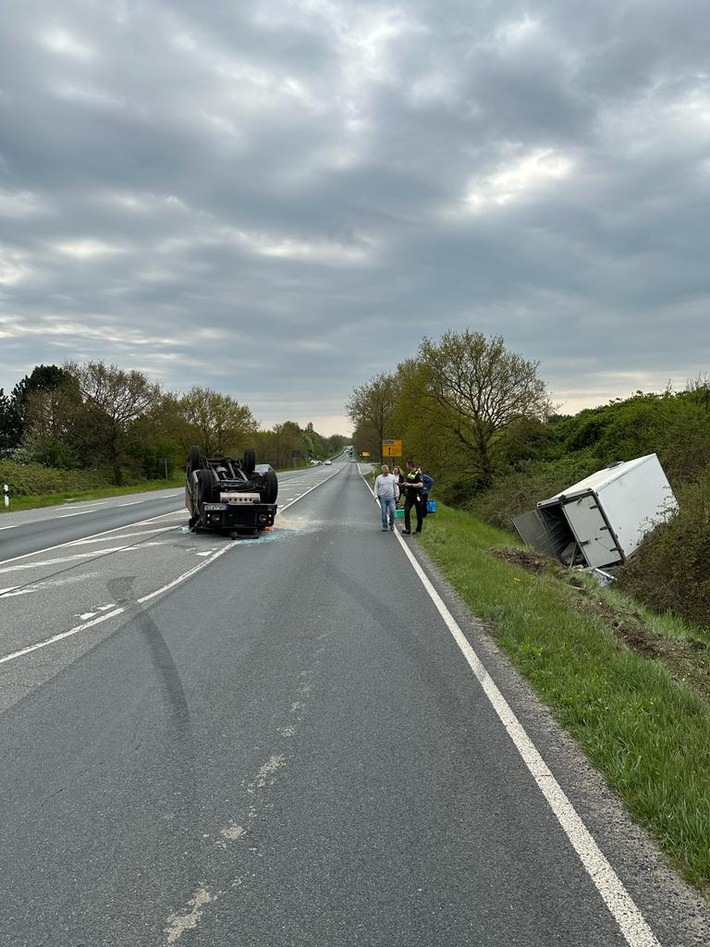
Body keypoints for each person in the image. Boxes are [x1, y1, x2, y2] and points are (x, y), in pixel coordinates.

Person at [401, 459, 424, 535]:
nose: (406, 466)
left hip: (417, 495)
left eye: (407, 465)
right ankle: (408, 529)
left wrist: (411, 485)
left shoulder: (418, 474)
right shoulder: (409, 474)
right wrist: (404, 484)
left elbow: (421, 484)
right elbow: (408, 482)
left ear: (410, 465)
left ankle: (418, 530)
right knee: (406, 511)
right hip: (409, 496)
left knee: (419, 513)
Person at [374, 463, 398, 531]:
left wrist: (396, 495)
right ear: (382, 470)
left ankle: (391, 524)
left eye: (387, 469)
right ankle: (385, 526)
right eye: (385, 469)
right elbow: (376, 487)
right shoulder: (379, 478)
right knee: (384, 512)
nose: (386, 470)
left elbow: (395, 486)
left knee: (392, 511)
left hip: (391, 497)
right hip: (383, 498)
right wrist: (375, 496)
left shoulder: (392, 477)